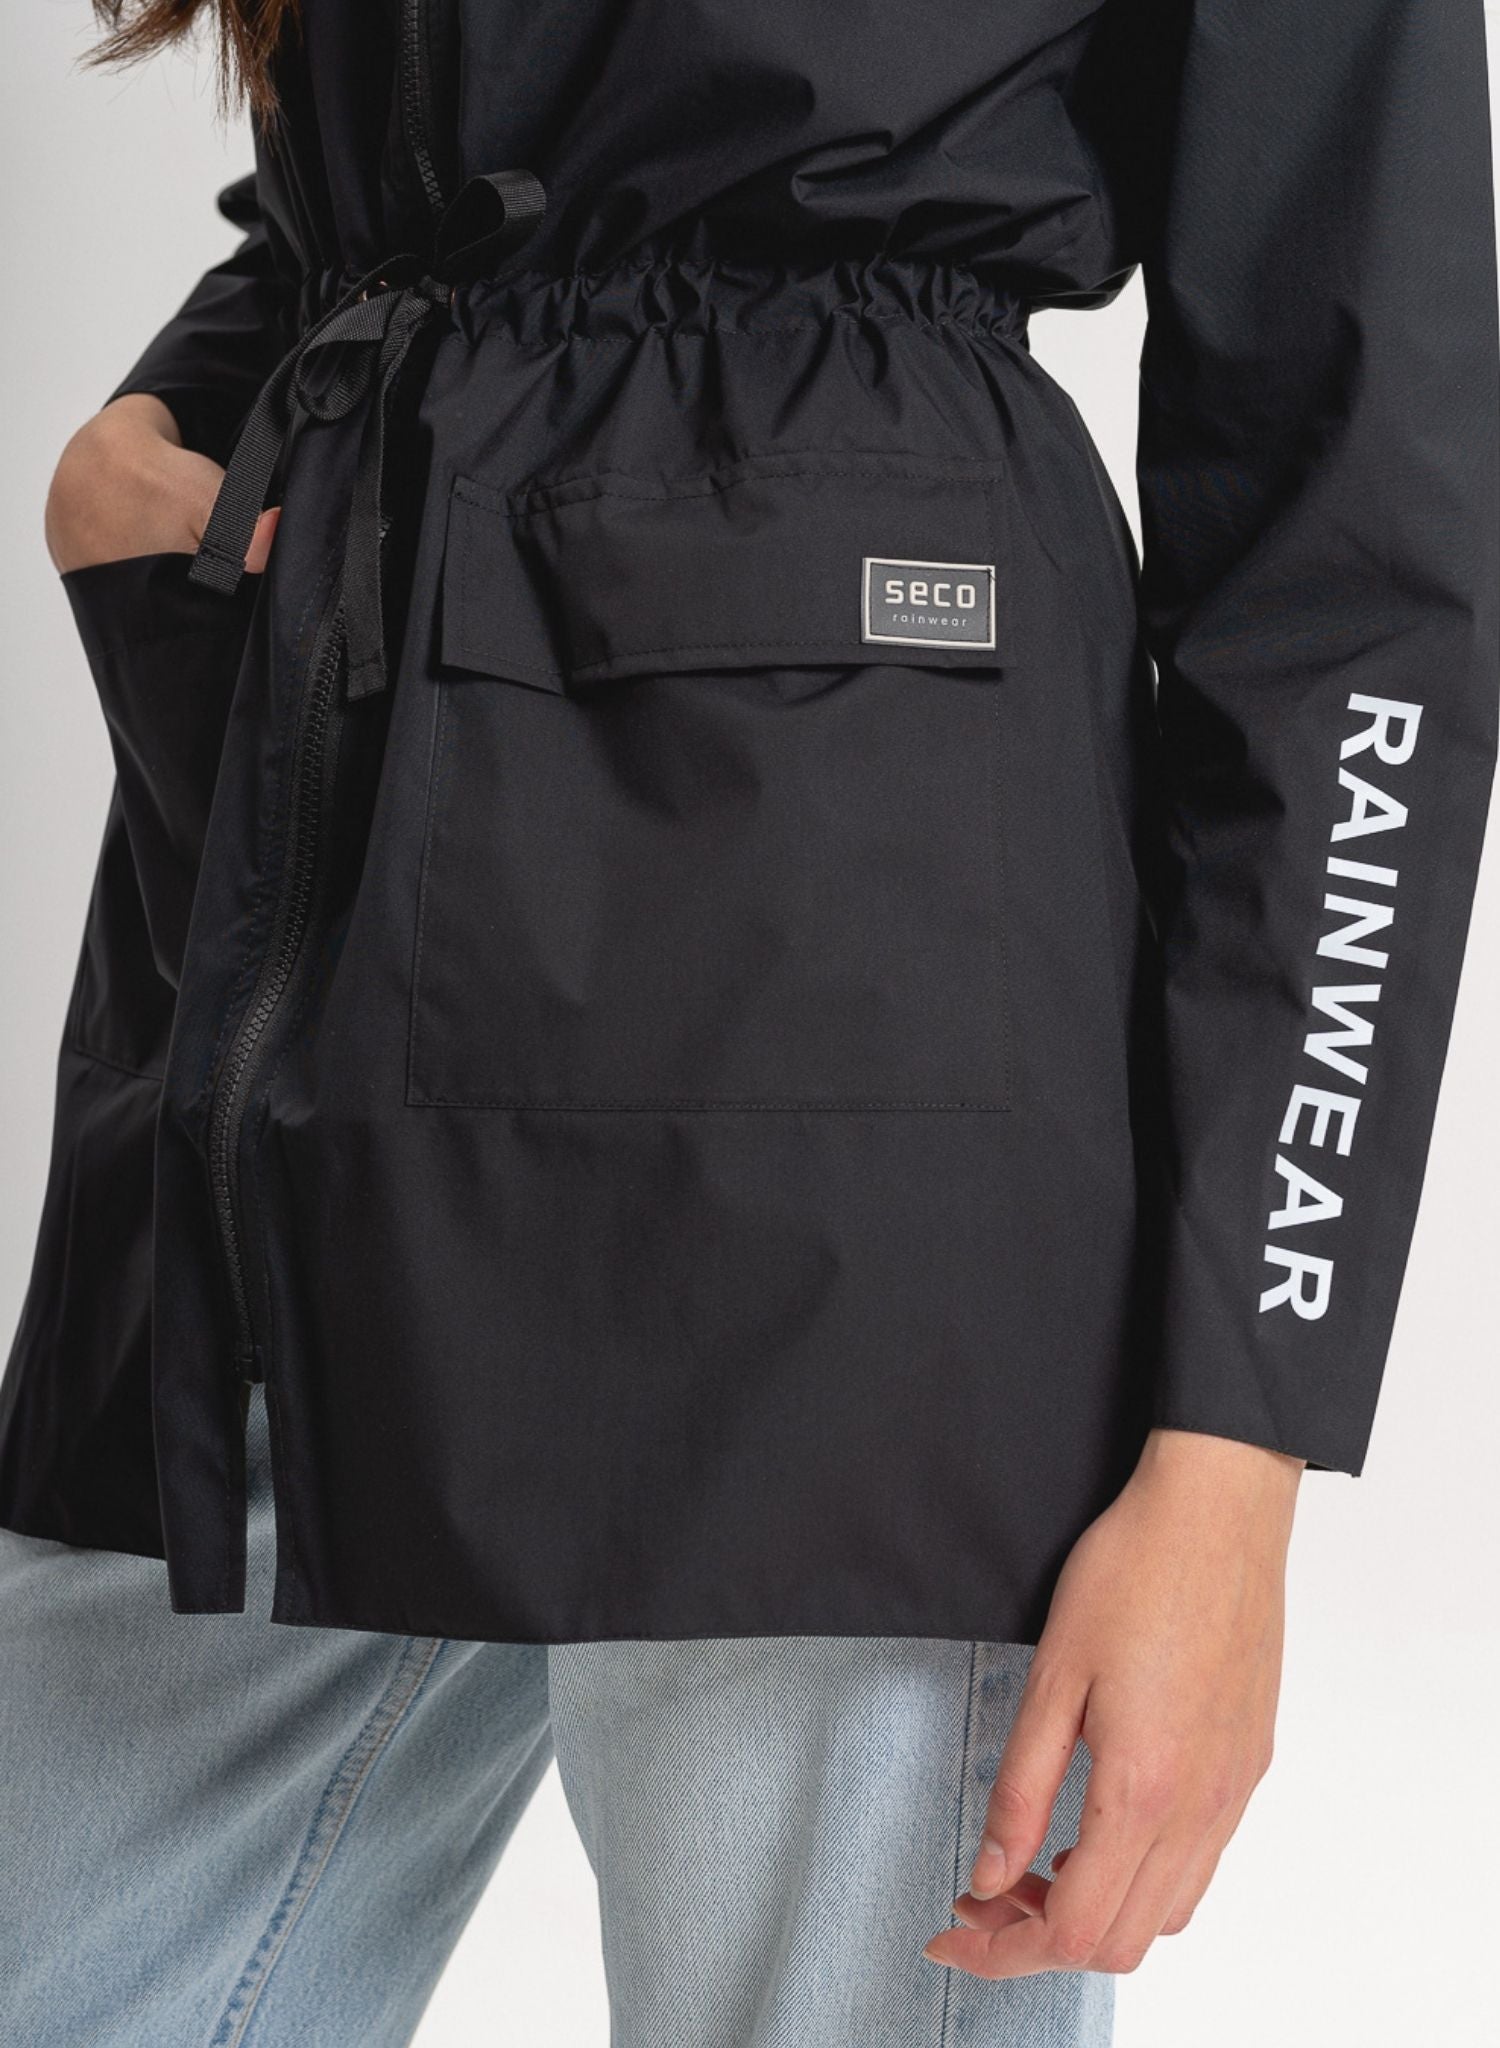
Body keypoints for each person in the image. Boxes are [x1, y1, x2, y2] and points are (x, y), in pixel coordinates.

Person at [1, 2, 1495, 2043]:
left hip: (838, 1121)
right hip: (292, 1033)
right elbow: (489, 141)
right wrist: (165, 414)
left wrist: (1240, 1440)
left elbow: (1357, 555)